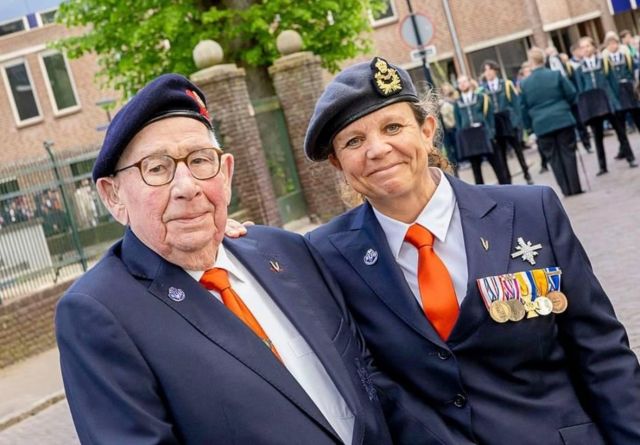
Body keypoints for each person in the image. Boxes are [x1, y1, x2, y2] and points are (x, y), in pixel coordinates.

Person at [55, 74, 410, 445]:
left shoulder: (287, 251)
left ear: (225, 174)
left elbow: (369, 380)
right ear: (113, 197)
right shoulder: (99, 313)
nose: (187, 187)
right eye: (156, 168)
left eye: (199, 161)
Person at [301, 57, 640, 444]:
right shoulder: (324, 254)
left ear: (427, 130)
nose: (377, 150)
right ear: (337, 162)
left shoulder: (532, 212)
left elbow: (602, 355)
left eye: (392, 127)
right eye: (353, 141)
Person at [520, 47, 583, 196]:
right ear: (543, 59)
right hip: (562, 118)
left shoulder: (525, 84)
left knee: (553, 158)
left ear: (531, 62)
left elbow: (523, 108)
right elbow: (571, 93)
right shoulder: (555, 75)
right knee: (568, 153)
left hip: (541, 124)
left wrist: (529, 128)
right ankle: (575, 188)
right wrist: (566, 107)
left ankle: (566, 190)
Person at [575, 36, 637, 174]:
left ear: (594, 47)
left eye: (587, 46)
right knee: (598, 137)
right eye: (582, 47)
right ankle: (602, 166)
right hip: (593, 106)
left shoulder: (604, 63)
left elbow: (614, 83)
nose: (585, 49)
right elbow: (580, 89)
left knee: (620, 132)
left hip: (608, 101)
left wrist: (614, 100)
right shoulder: (579, 70)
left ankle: (630, 157)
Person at [481, 59, 533, 184]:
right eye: (485, 70)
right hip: (495, 122)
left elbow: (515, 104)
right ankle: (507, 178)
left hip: (507, 119)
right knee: (501, 152)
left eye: (490, 69)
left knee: (517, 149)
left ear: (495, 70)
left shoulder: (506, 84)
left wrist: (517, 122)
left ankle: (526, 172)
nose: (488, 73)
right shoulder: (482, 90)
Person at [453, 74, 510, 184]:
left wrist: (491, 133)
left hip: (483, 134)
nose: (462, 84)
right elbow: (458, 123)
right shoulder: (457, 103)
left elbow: (489, 117)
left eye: (464, 81)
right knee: (476, 171)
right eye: (460, 83)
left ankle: (506, 188)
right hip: (469, 138)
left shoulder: (481, 98)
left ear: (469, 83)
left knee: (498, 166)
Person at [605, 32, 640, 155]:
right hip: (617, 92)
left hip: (629, 89)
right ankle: (626, 151)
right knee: (621, 126)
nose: (613, 46)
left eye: (615, 43)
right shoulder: (605, 59)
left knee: (637, 117)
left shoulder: (626, 55)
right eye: (610, 44)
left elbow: (634, 69)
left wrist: (634, 83)